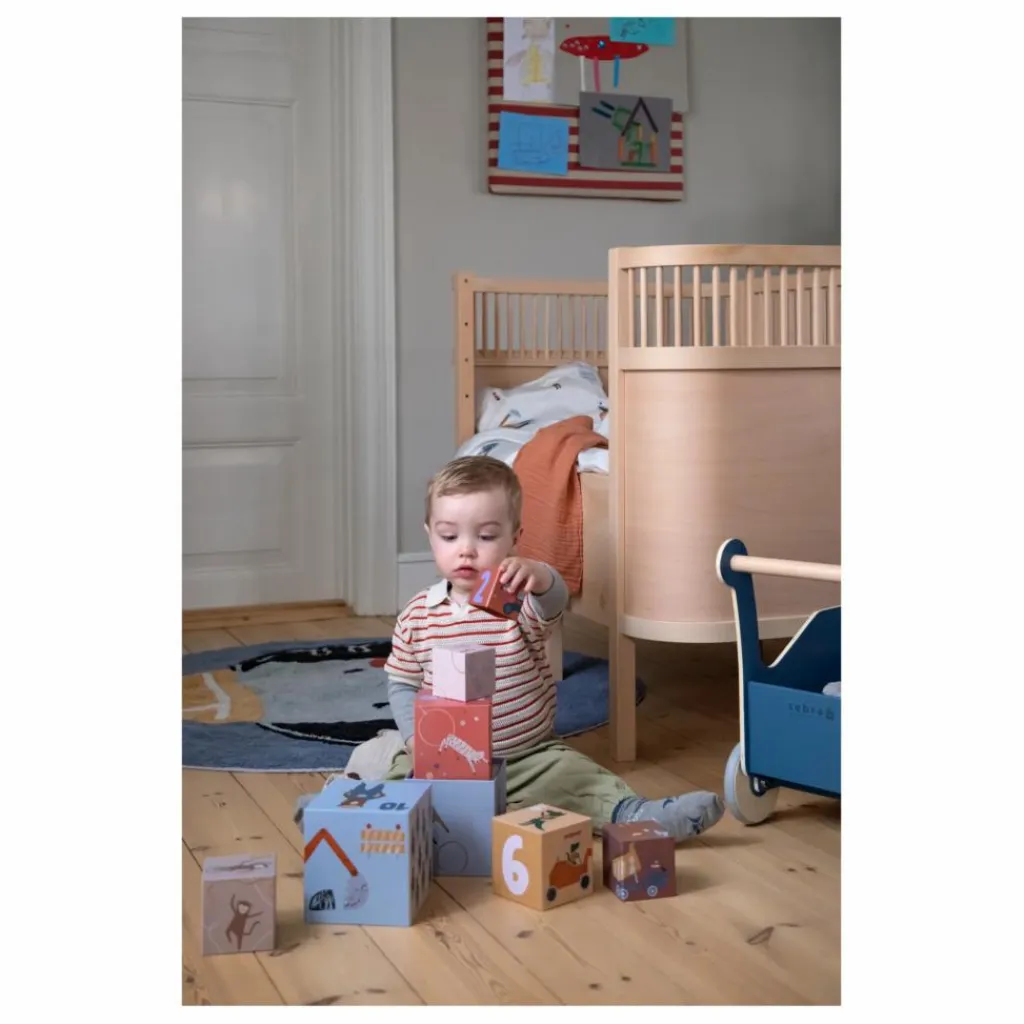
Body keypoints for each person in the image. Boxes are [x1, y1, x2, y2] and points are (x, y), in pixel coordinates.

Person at [380, 454, 724, 841]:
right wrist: (414, 739)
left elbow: (553, 602)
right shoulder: (418, 614)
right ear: (430, 534)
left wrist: (541, 576)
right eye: (449, 536)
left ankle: (637, 814)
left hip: (527, 756)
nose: (466, 550)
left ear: (515, 537)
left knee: (576, 776)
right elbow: (402, 683)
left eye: (487, 536)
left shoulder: (517, 602)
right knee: (398, 778)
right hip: (446, 760)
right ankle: (368, 824)